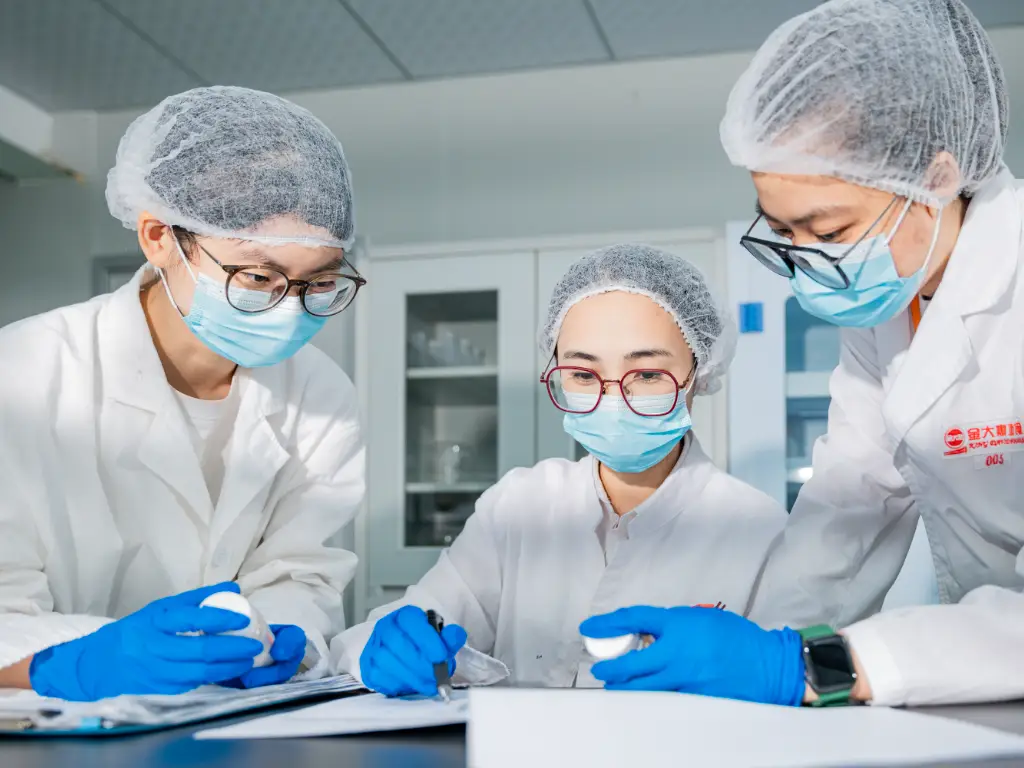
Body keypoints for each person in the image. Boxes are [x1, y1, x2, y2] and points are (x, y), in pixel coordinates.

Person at [582, 0, 1024, 709]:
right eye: (786, 232)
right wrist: (763, 642)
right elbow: (850, 505)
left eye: (828, 228)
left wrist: (813, 666)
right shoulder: (892, 304)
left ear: (937, 177)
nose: (810, 262)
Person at [0, 86, 366, 701]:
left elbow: (301, 573)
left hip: (229, 717)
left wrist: (281, 630)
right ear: (159, 238)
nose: (291, 307)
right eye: (257, 276)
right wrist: (79, 662)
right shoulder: (24, 373)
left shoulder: (322, 394)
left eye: (320, 281)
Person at [330, 244, 787, 696]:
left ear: (699, 372)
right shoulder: (520, 504)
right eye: (584, 375)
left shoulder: (759, 529)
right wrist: (385, 650)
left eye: (647, 374)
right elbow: (401, 630)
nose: (612, 400)